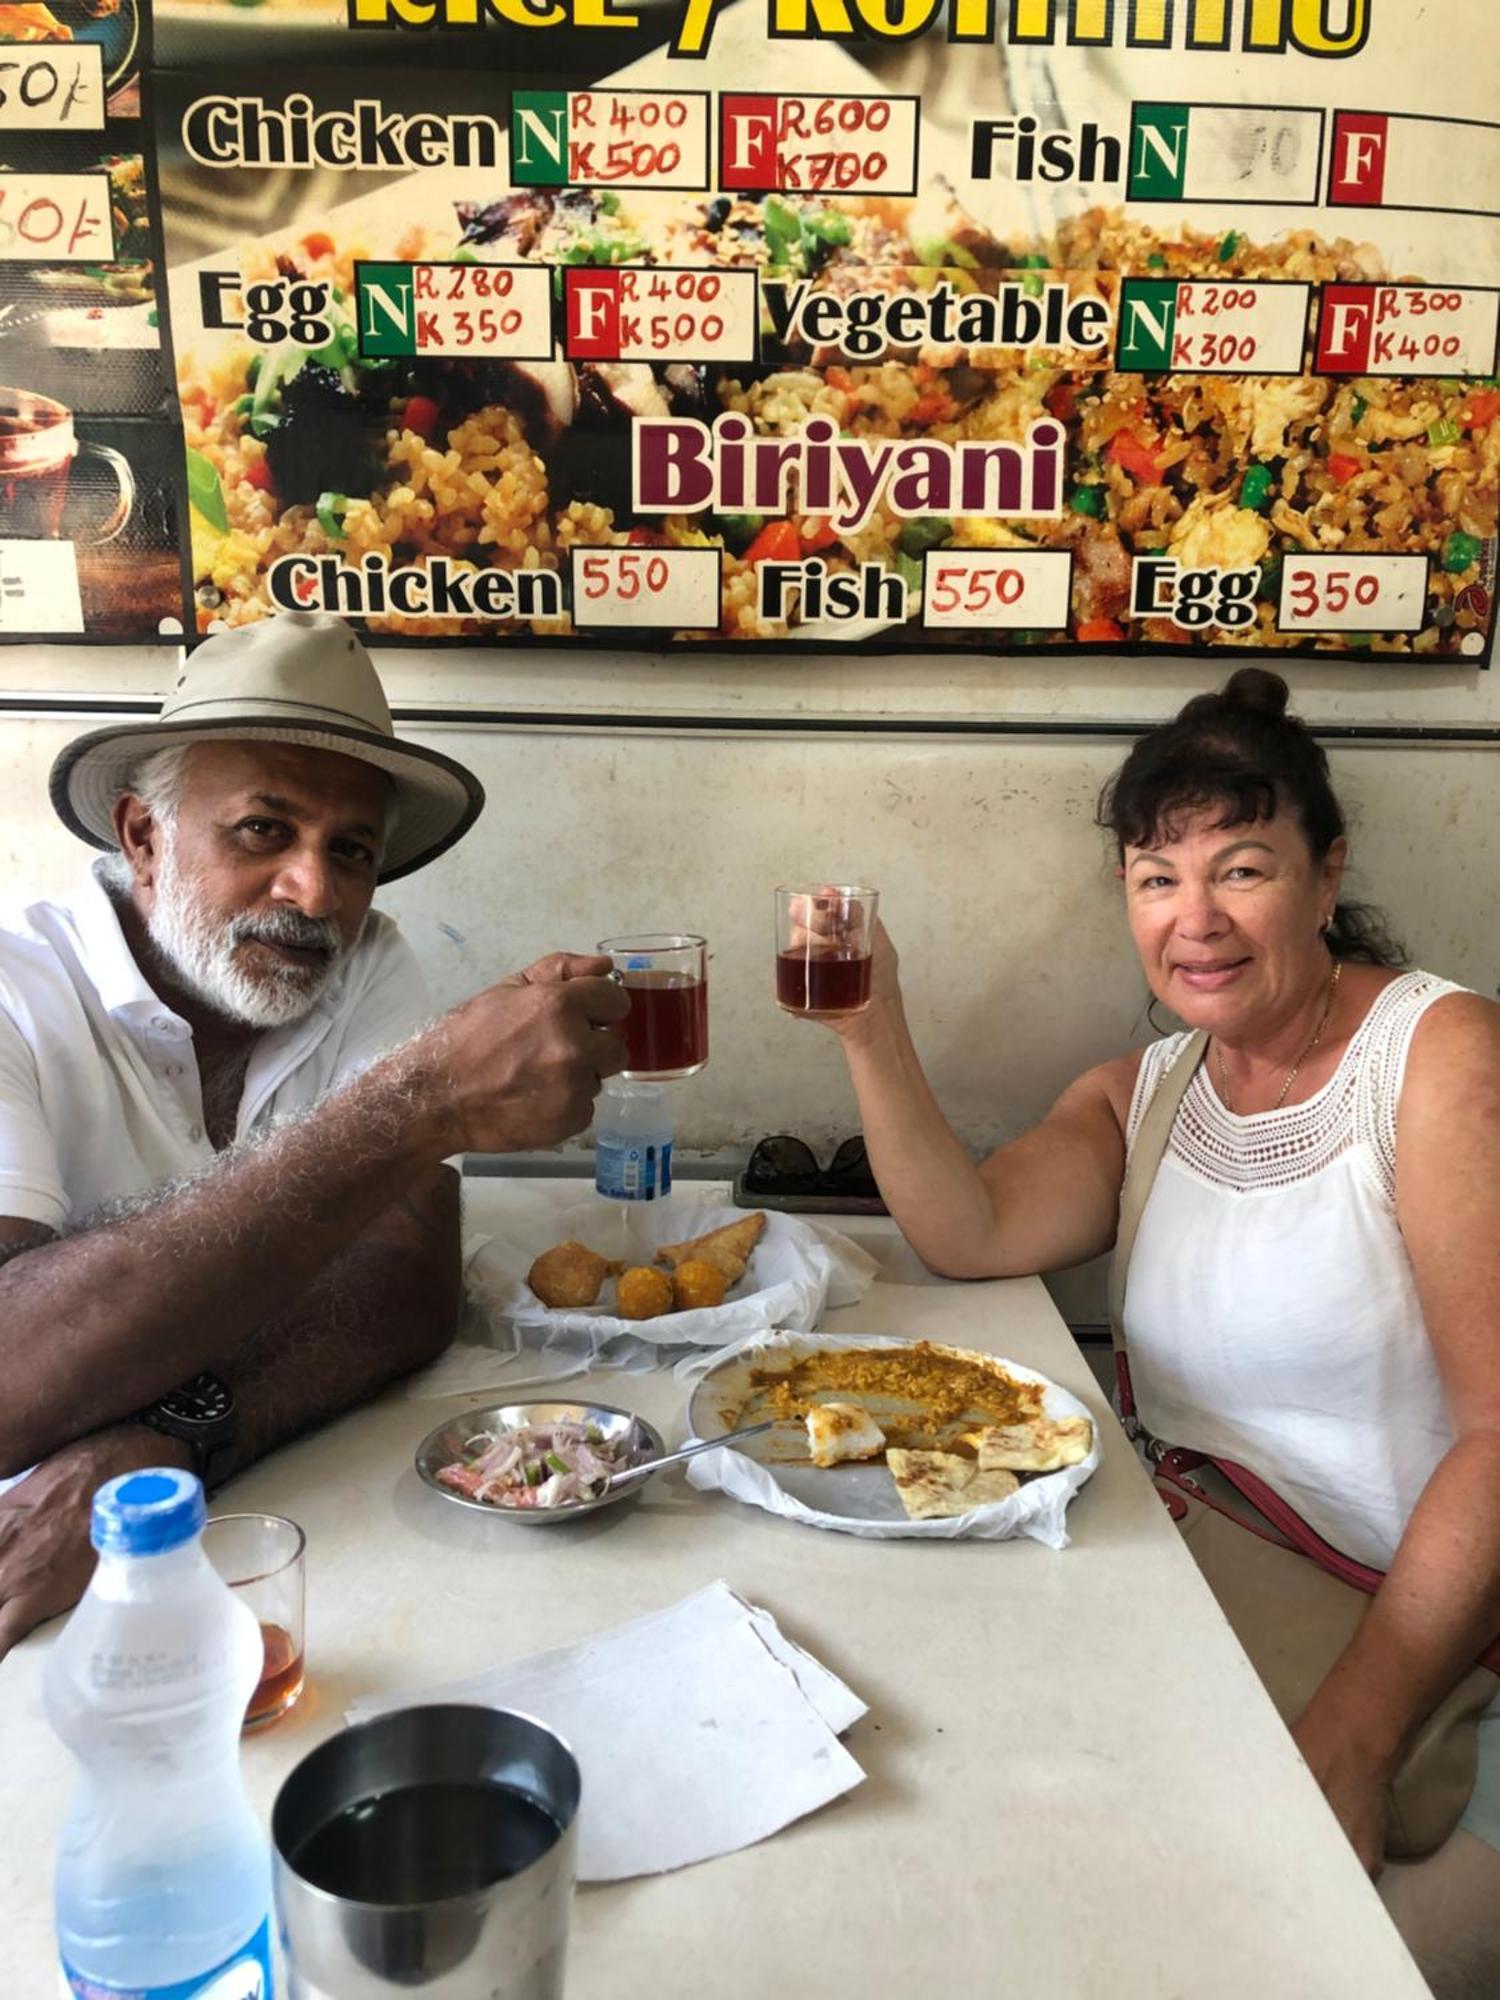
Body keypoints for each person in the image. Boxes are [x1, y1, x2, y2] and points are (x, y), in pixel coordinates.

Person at [794, 667, 1500, 1996]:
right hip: (1181, 1588)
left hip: (1391, 1633)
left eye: (1240, 869)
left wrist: (1348, 1746)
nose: (1196, 920)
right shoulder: (1155, 1087)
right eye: (1155, 879)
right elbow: (973, 1230)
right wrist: (870, 1026)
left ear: (1325, 870)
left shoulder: (1439, 1054)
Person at [0, 612, 629, 1658]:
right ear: (142, 836)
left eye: (352, 850)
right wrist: (418, 1102)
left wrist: (170, 1436)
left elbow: (405, 1281)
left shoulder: (365, 964)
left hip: (284, 1547)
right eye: (263, 829)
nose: (316, 892)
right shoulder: (18, 994)